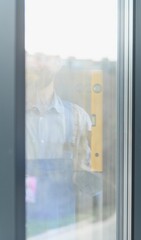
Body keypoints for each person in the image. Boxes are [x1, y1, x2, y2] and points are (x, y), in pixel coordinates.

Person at [25, 53, 99, 237]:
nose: (41, 64)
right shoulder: (8, 116)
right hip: (15, 224)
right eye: (36, 57)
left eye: (46, 57)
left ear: (58, 64)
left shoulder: (77, 117)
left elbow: (89, 183)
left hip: (62, 228)